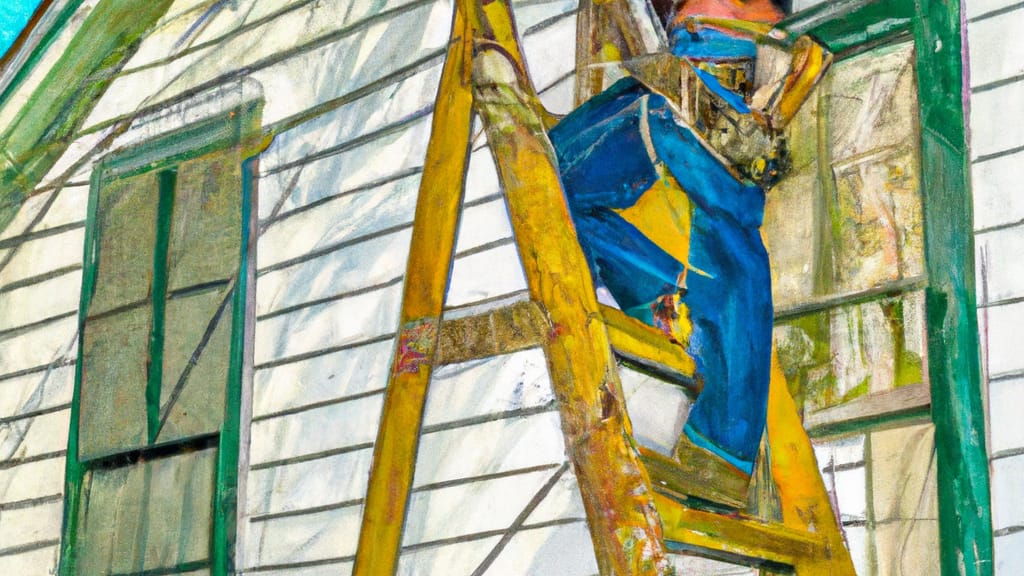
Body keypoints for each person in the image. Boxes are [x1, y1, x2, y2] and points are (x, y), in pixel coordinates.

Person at [548, 0, 830, 504]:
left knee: (556, 170)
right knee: (720, 241)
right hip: (713, 65)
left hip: (715, 64)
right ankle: (720, 446)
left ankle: (720, 450)